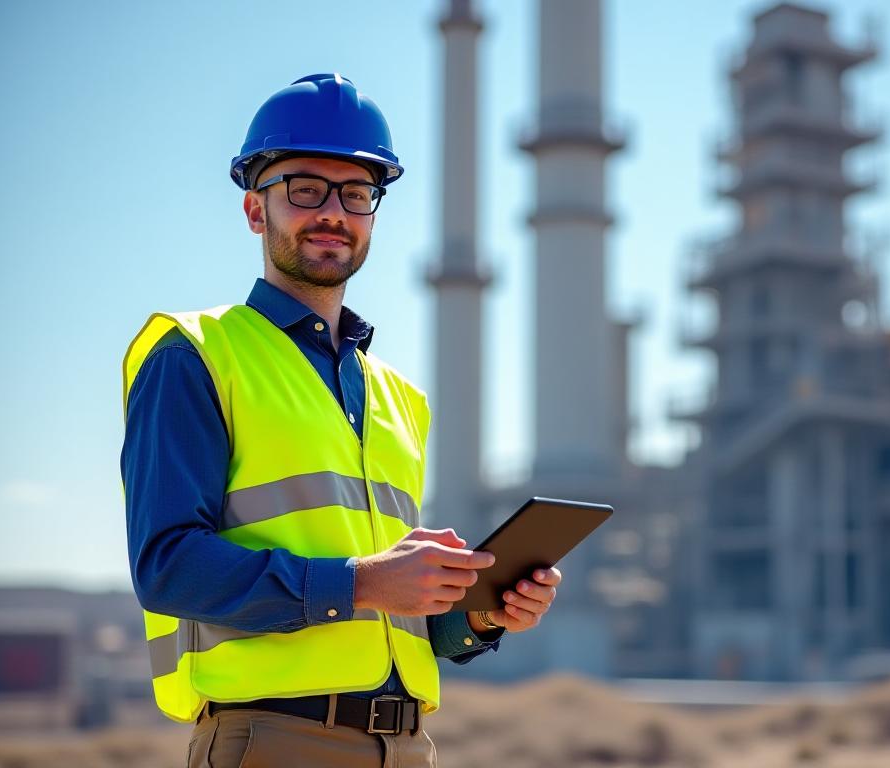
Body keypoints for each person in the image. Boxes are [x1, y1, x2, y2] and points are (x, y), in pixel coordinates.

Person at [121, 73, 561, 767]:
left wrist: (480, 612)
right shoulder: (196, 356)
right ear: (254, 210)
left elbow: (401, 620)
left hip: (407, 745)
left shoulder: (398, 398)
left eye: (356, 194)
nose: (333, 211)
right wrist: (358, 582)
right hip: (271, 741)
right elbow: (167, 569)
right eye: (305, 189)